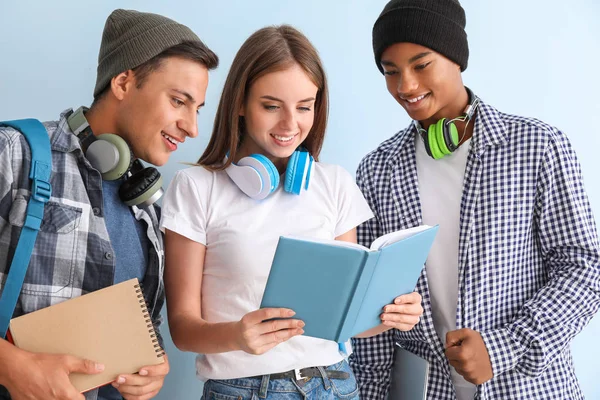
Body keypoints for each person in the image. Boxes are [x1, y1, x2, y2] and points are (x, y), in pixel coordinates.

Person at [348, 0, 600, 399]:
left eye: (421, 64)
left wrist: (506, 347)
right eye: (390, 71)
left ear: (456, 58)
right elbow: (374, 313)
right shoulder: (377, 171)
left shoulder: (537, 146)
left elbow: (584, 269)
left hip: (530, 389)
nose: (405, 86)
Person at [160, 24, 423, 400]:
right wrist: (236, 335)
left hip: (336, 384)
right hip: (246, 389)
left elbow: (344, 322)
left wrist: (388, 316)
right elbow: (183, 330)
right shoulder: (196, 187)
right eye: (271, 106)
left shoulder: (333, 183)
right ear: (239, 102)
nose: (290, 125)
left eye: (304, 107)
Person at [0, 9, 218, 400]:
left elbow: (140, 328)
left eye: (197, 109)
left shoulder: (146, 207)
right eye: (178, 101)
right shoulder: (16, 154)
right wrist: (13, 367)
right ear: (122, 82)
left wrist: (154, 368)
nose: (192, 127)